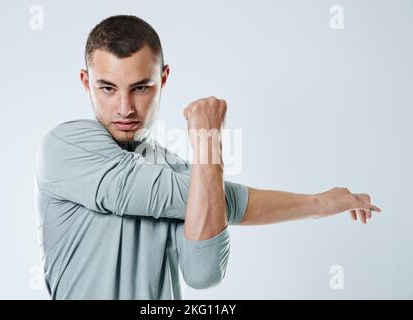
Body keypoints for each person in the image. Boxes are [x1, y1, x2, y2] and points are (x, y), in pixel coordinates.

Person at [34, 15, 382, 300]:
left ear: (163, 78)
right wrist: (317, 203)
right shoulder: (66, 146)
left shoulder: (182, 170)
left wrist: (206, 158)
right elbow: (182, 194)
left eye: (141, 87)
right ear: (85, 82)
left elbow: (203, 274)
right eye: (107, 88)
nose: (124, 108)